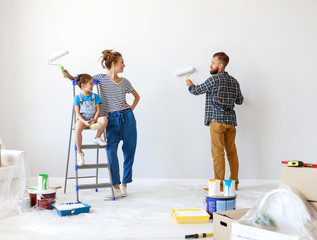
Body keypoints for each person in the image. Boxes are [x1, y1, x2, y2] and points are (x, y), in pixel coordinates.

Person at [63, 50, 140, 199]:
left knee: (129, 152)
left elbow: (137, 96)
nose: (124, 65)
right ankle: (116, 187)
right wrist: (69, 76)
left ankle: (124, 184)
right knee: (111, 152)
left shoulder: (125, 82)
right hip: (111, 119)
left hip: (127, 117)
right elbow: (81, 81)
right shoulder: (99, 78)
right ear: (113, 64)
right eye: (122, 62)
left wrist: (131, 107)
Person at [185, 52, 243, 191]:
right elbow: (240, 101)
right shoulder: (234, 81)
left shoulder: (214, 80)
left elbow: (196, 91)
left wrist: (190, 84)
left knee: (218, 153)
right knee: (232, 153)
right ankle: (234, 183)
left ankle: (220, 186)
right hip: (231, 122)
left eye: (213, 63)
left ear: (221, 65)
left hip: (217, 122)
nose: (210, 65)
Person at [73, 74, 108, 166]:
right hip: (83, 120)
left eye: (92, 84)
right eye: (91, 84)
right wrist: (84, 122)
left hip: (94, 119)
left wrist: (95, 119)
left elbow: (98, 110)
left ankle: (97, 137)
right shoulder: (77, 98)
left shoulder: (95, 96)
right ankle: (80, 153)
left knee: (104, 119)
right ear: (83, 85)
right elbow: (77, 113)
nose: (92, 86)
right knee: (77, 128)